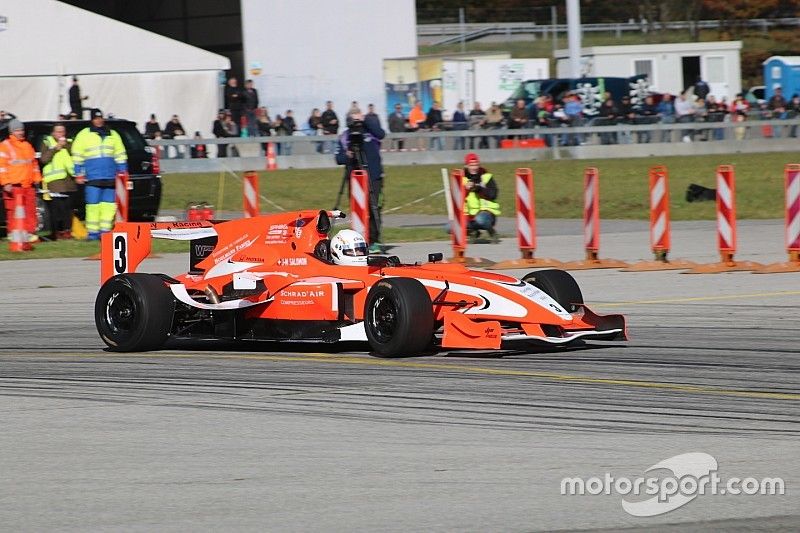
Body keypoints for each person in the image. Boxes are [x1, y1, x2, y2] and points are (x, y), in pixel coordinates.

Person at [71, 109, 127, 240]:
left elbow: (120, 154)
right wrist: (78, 173)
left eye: (100, 118)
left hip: (110, 176)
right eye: (96, 118)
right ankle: (93, 233)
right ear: (92, 120)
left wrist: (123, 170)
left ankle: (105, 231)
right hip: (92, 176)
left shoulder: (112, 134)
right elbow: (77, 155)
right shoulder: (84, 135)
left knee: (109, 205)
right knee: (93, 205)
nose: (98, 120)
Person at [335, 110, 386, 253]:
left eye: (359, 120)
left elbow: (381, 134)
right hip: (355, 178)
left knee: (374, 206)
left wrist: (366, 120)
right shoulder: (345, 137)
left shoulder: (370, 131)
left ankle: (374, 240)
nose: (357, 123)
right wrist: (348, 155)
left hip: (374, 176)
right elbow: (338, 159)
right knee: (357, 210)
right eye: (354, 120)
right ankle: (360, 239)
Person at [0, 119, 42, 244]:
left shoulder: (27, 146)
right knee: (14, 212)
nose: (20, 132)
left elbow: (34, 165)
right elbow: (2, 167)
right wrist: (6, 183)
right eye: (18, 130)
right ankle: (14, 236)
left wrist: (37, 179)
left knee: (30, 211)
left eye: (22, 130)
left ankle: (29, 234)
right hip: (14, 186)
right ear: (12, 132)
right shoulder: (5, 146)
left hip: (28, 186)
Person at [40, 123, 77, 240]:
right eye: (58, 132)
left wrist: (66, 146)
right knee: (57, 209)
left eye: (63, 131)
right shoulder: (47, 142)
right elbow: (44, 159)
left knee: (68, 209)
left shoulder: (70, 143)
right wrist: (55, 148)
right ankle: (57, 232)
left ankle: (67, 231)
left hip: (69, 181)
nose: (61, 134)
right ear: (53, 133)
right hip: (55, 181)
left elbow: (76, 155)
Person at [462, 152, 500, 243]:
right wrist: (466, 189)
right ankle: (474, 232)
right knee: (449, 227)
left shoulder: (486, 177)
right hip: (469, 214)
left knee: (480, 219)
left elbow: (493, 194)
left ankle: (492, 232)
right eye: (471, 165)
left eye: (476, 165)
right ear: (466, 166)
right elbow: (457, 198)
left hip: (486, 213)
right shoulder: (462, 179)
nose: (474, 167)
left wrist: (478, 188)